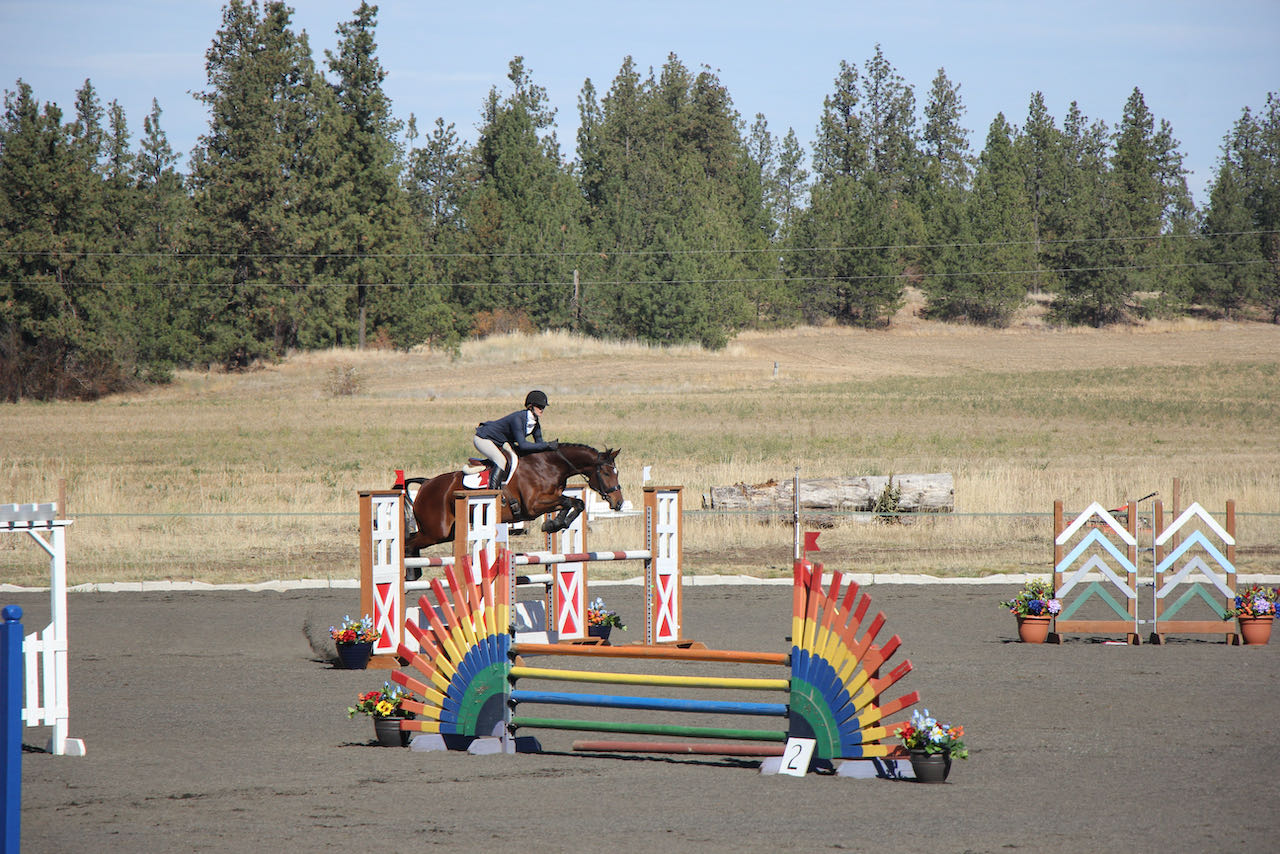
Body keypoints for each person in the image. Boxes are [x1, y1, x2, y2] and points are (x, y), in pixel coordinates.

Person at [473, 390, 559, 492]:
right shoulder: (517, 419)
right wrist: (547, 445)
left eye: (543, 407)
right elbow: (523, 445)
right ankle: (494, 493)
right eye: (539, 406)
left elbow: (539, 444)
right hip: (483, 438)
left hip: (500, 441)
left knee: (517, 458)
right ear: (530, 406)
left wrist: (550, 451)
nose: (542, 409)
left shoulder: (535, 423)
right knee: (501, 460)